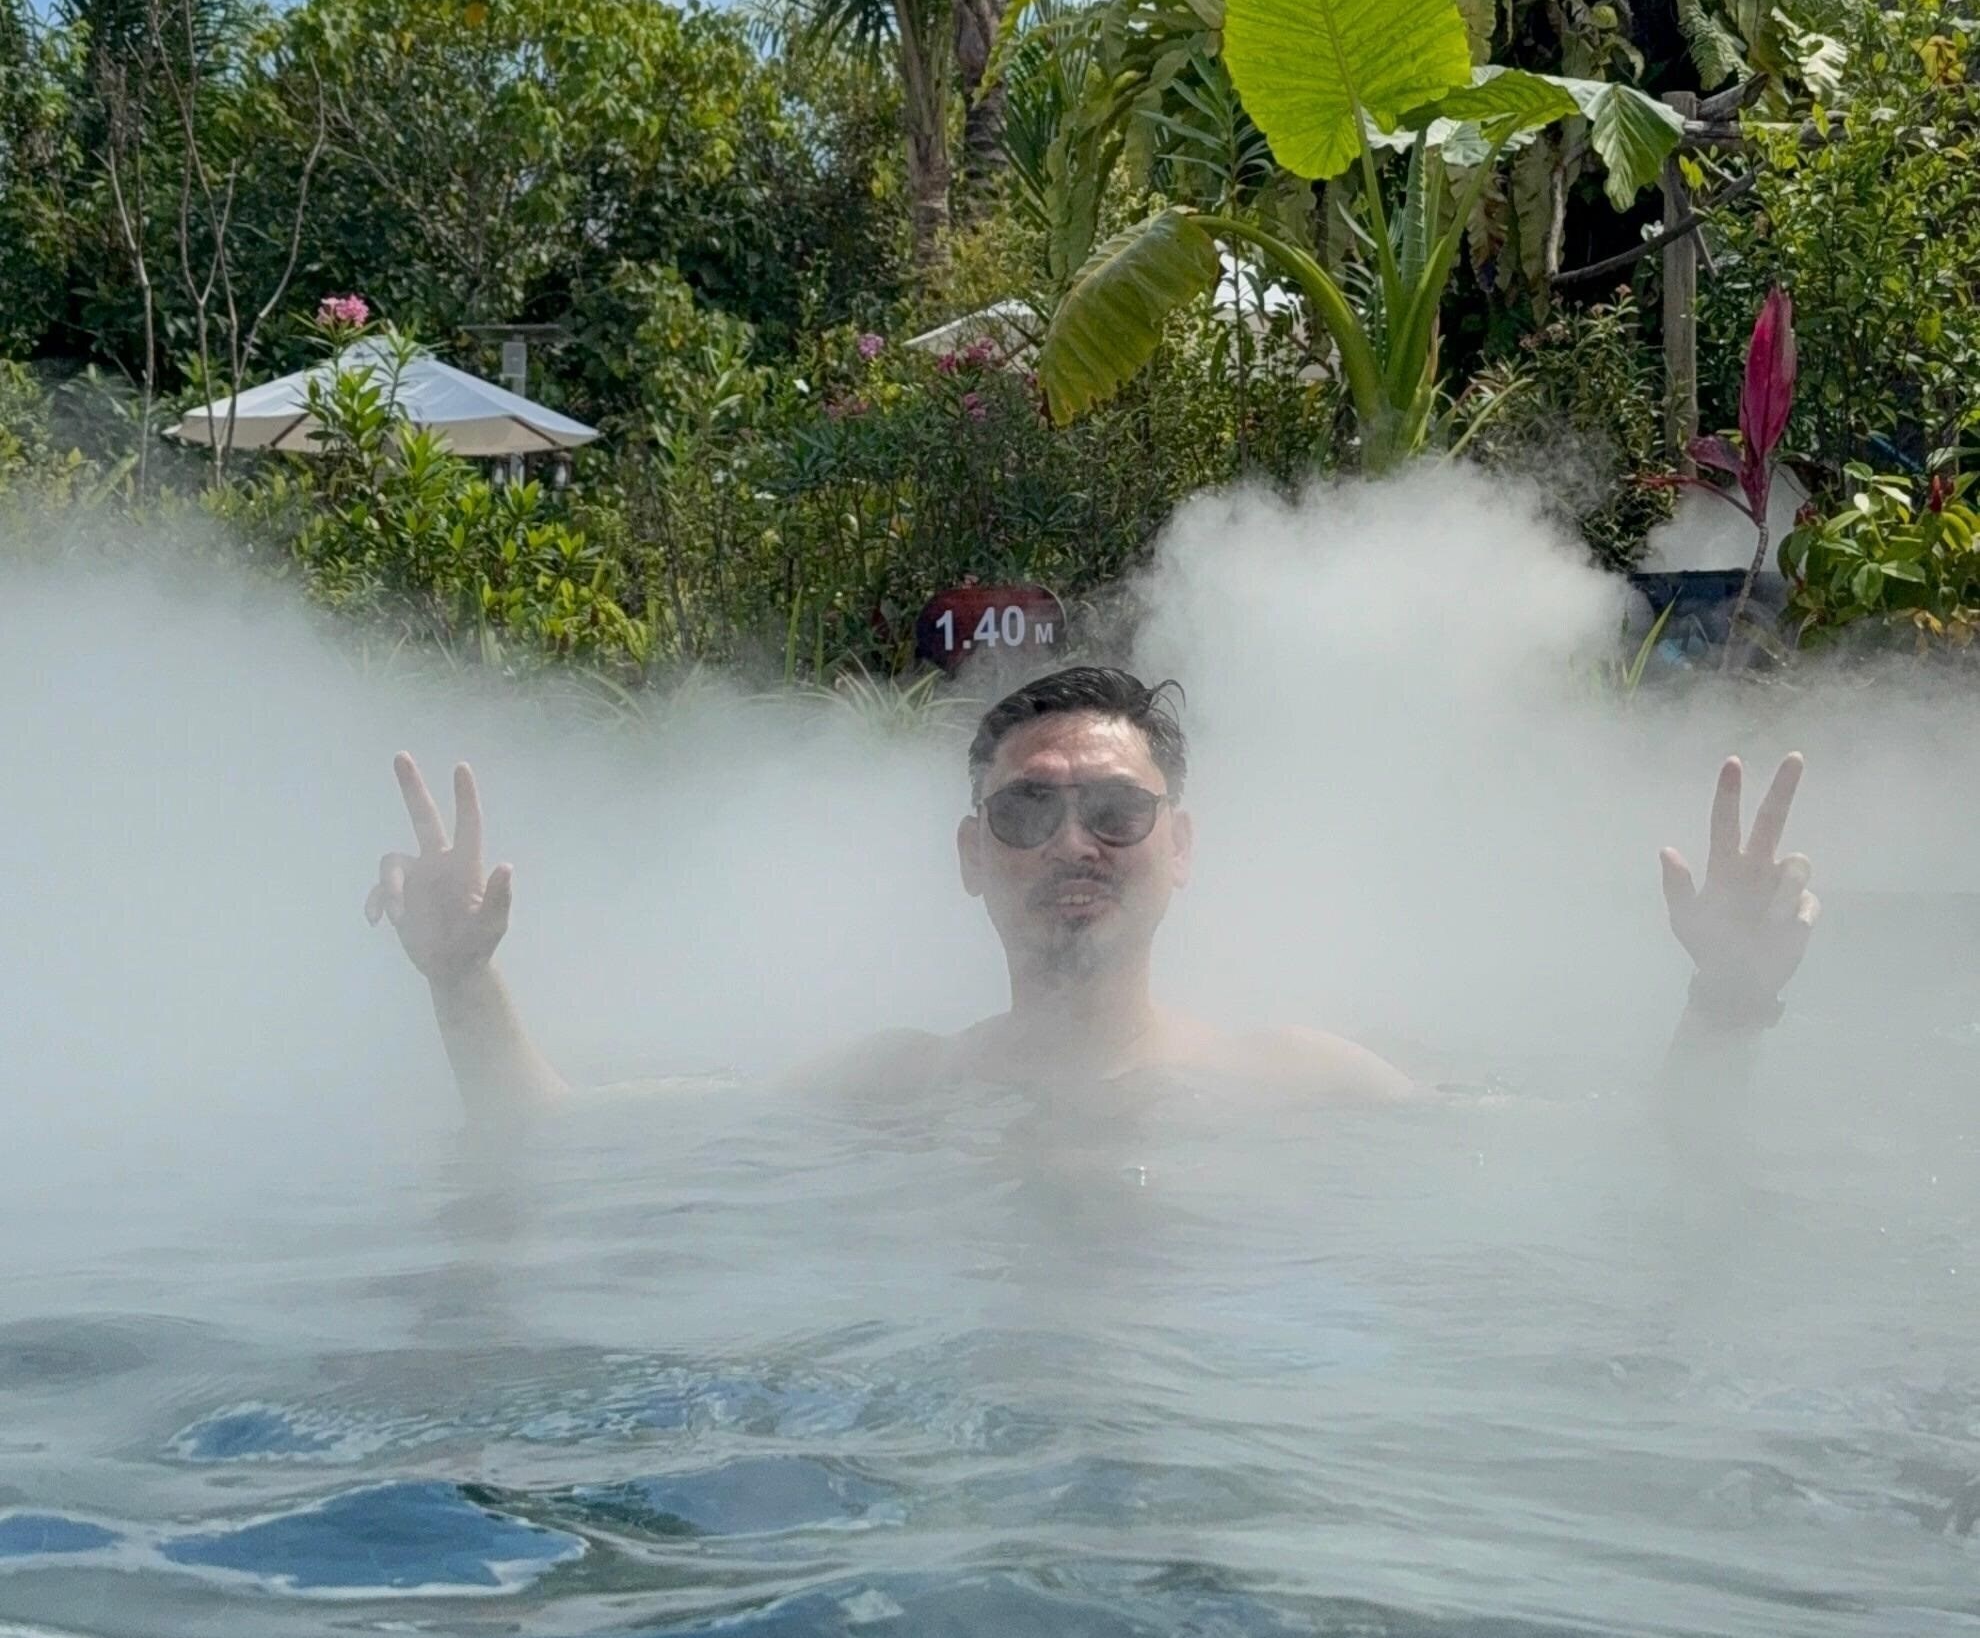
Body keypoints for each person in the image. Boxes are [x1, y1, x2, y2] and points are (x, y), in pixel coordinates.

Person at [365, 661, 1819, 1127]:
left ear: (1179, 849)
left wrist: (1727, 1009)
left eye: (1118, 812)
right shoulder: (890, 1089)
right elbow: (546, 1139)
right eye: (1028, 810)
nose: (1075, 841)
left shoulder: (1298, 1085)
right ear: (970, 856)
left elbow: (1646, 1167)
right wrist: (461, 981)